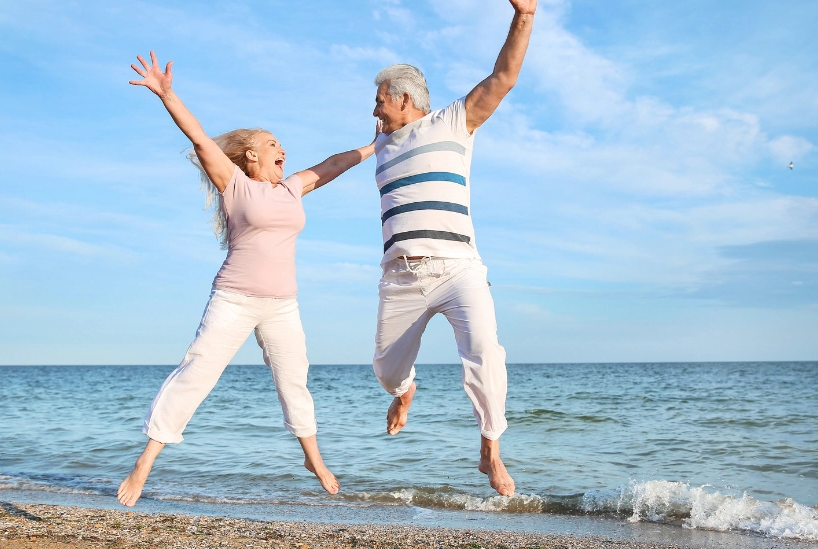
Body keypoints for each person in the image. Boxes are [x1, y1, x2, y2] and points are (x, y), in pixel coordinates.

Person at [117, 51, 377, 507]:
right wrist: (167, 94)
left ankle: (312, 457)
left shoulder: (292, 186)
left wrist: (378, 145)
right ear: (251, 154)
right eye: (273, 144)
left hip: (282, 304)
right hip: (234, 298)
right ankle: (146, 461)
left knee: (294, 378)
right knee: (198, 372)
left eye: (282, 146)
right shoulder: (235, 184)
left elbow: (334, 164)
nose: (283, 150)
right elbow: (198, 139)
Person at [369, 0, 537, 497]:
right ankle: (405, 392)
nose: (374, 109)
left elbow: (503, 77)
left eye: (380, 100)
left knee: (485, 350)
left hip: (459, 266)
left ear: (404, 98)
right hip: (400, 275)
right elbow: (346, 156)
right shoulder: (379, 142)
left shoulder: (453, 121)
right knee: (385, 368)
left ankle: (490, 446)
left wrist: (524, 15)